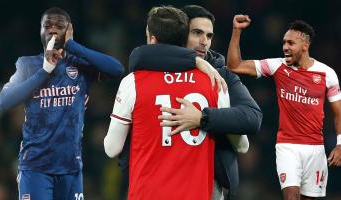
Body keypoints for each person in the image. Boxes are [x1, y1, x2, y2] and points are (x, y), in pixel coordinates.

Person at [127, 5, 262, 200]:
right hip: (157, 177)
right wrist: (194, 60)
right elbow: (139, 55)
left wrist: (203, 117)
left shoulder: (220, 74)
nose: (204, 42)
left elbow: (252, 117)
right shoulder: (152, 66)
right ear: (180, 34)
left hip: (208, 181)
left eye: (209, 36)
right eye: (197, 33)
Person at [104, 6, 230, 200]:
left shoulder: (133, 82)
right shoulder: (213, 81)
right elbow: (242, 145)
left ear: (152, 39)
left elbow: (112, 148)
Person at [0, 7, 124, 199]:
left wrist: (72, 46)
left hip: (71, 167)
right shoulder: (27, 65)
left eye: (59, 25)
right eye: (47, 25)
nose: (53, 30)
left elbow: (117, 69)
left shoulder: (79, 65)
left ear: (69, 29)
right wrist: (45, 71)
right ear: (40, 31)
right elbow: (4, 102)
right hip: (35, 168)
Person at [226, 14, 341, 200]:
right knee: (291, 197)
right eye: (284, 42)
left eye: (290, 43)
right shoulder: (276, 66)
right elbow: (234, 65)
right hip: (287, 146)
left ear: (305, 46)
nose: (285, 47)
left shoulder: (327, 74)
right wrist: (236, 31)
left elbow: (338, 113)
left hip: (315, 148)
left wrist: (340, 144)